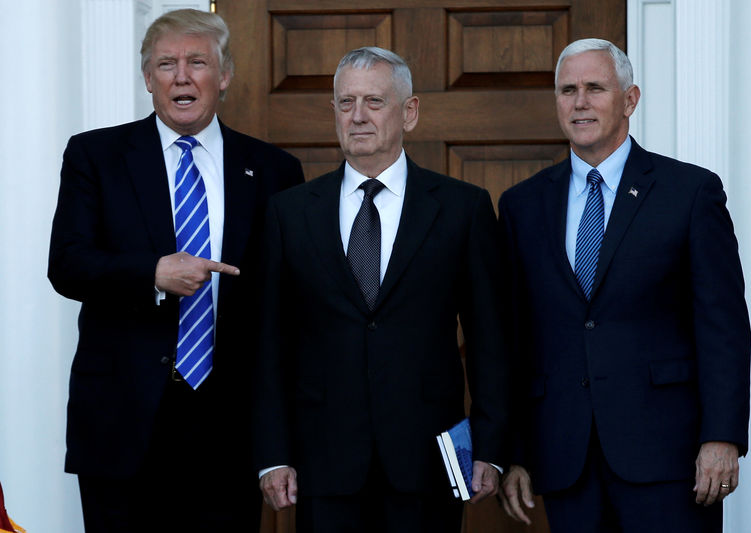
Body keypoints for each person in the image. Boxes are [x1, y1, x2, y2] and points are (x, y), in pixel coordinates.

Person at [48, 9, 304, 532]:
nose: (182, 76)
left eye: (197, 62)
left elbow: (287, 304)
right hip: (123, 419)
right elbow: (67, 265)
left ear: (224, 75)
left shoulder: (275, 170)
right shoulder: (95, 155)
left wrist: (281, 435)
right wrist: (152, 272)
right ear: (148, 79)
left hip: (227, 424)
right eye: (166, 64)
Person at [498, 38, 750, 532]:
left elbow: (722, 325)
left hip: (668, 459)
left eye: (595, 88)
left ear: (630, 100)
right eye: (567, 90)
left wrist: (721, 437)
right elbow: (514, 339)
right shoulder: (522, 206)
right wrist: (515, 452)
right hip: (564, 458)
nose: (580, 102)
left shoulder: (690, 192)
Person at [253, 46, 508, 533]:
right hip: (322, 463)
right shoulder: (289, 213)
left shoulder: (463, 209)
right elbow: (269, 344)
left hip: (427, 461)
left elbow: (489, 339)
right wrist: (272, 455)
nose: (359, 116)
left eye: (374, 101)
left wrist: (492, 449)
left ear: (409, 112)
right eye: (346, 103)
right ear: (333, 113)